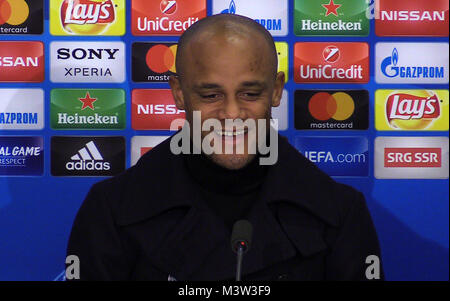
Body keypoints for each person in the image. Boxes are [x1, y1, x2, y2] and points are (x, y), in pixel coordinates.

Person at [66, 14, 383, 281]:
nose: (232, 114)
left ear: (276, 91)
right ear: (178, 93)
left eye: (249, 94)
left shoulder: (340, 212)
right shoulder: (111, 209)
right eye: (210, 95)